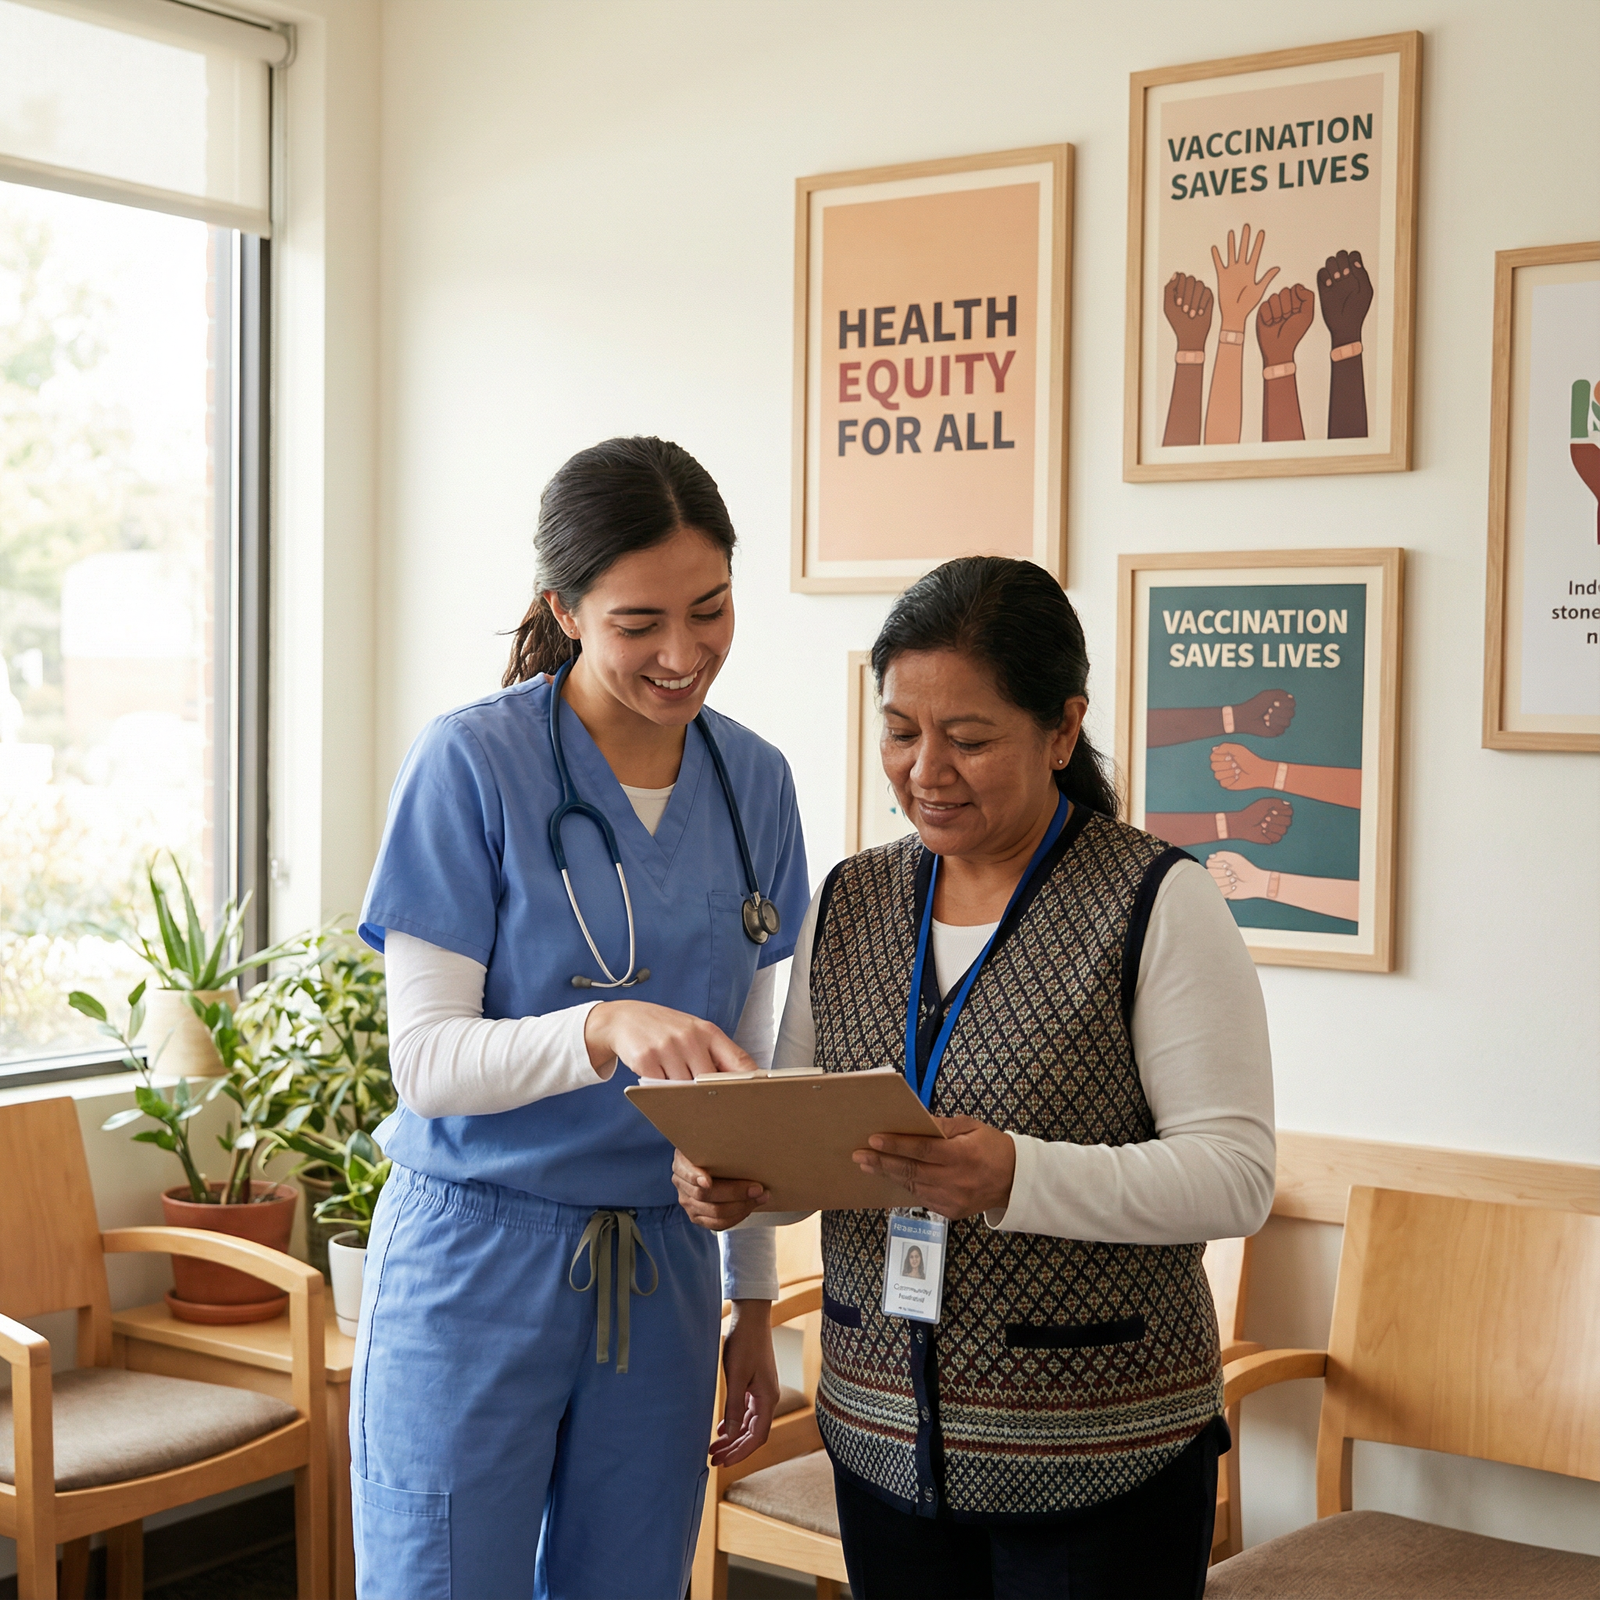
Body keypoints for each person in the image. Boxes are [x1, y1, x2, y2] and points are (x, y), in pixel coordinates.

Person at [676, 556, 1275, 1600]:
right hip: (877, 1444)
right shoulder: (852, 899)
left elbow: (1235, 1178)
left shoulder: (1156, 901)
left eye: (969, 737)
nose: (926, 770)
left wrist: (1015, 1177)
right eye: (900, 731)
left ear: (1061, 729)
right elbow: (805, 1145)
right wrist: (739, 1186)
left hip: (1100, 1459)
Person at [351, 437, 808, 1600]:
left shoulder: (754, 783)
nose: (682, 654)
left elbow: (748, 1083)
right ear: (563, 609)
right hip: (476, 1262)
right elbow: (428, 1063)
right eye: (637, 622)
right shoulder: (471, 762)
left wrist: (753, 1298)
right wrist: (601, 1027)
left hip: (662, 1268)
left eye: (710, 609)